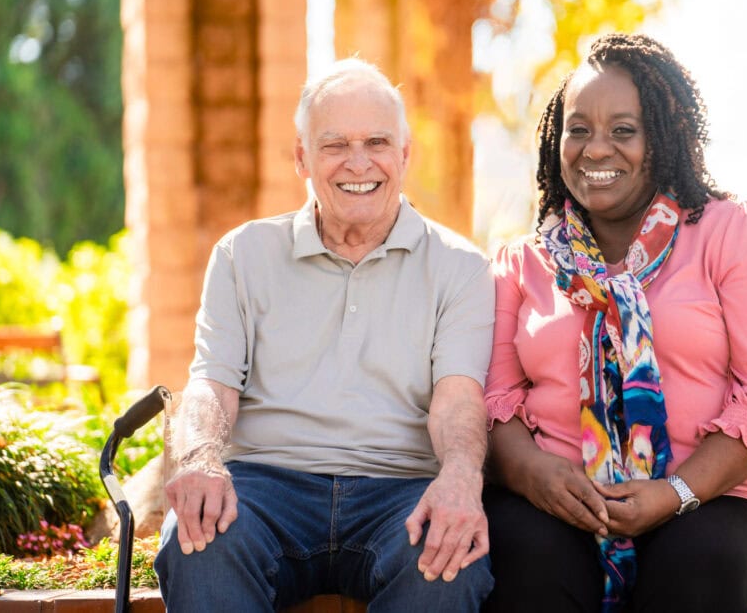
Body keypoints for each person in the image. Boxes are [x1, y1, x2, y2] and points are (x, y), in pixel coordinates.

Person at [482, 33, 747, 612]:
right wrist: (534, 474)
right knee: (523, 563)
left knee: (695, 566)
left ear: (664, 137)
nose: (595, 149)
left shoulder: (730, 232)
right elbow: (493, 397)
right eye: (578, 128)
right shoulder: (523, 263)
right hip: (557, 501)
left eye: (623, 130)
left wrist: (676, 491)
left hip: (715, 499)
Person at [154, 58, 495, 612]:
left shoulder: (462, 267)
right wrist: (198, 458)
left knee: (448, 567)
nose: (358, 163)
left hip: (398, 493)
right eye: (334, 144)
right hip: (264, 488)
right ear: (301, 157)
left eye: (378, 142)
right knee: (199, 548)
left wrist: (460, 477)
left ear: (404, 155)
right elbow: (211, 383)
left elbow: (458, 397)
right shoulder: (242, 255)